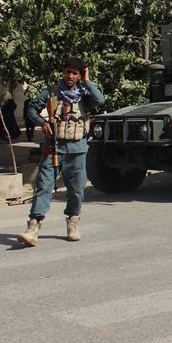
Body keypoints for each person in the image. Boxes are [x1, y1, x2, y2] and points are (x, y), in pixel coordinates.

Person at [18, 57, 105, 247]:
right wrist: (42, 123)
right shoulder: (51, 92)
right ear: (63, 72)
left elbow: (101, 99)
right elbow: (31, 109)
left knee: (76, 191)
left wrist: (87, 80)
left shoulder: (84, 96)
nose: (70, 76)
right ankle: (33, 226)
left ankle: (72, 222)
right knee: (44, 186)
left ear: (80, 74)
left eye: (75, 73)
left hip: (77, 151)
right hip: (53, 148)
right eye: (68, 71)